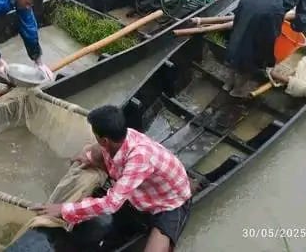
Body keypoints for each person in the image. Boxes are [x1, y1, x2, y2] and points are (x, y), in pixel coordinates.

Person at [32, 105, 192, 252]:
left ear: (105, 140)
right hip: (141, 191)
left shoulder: (140, 158)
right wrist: (88, 157)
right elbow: (96, 149)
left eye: (95, 135)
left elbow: (111, 204)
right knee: (93, 152)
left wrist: (63, 209)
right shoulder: (121, 136)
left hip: (169, 202)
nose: (95, 139)